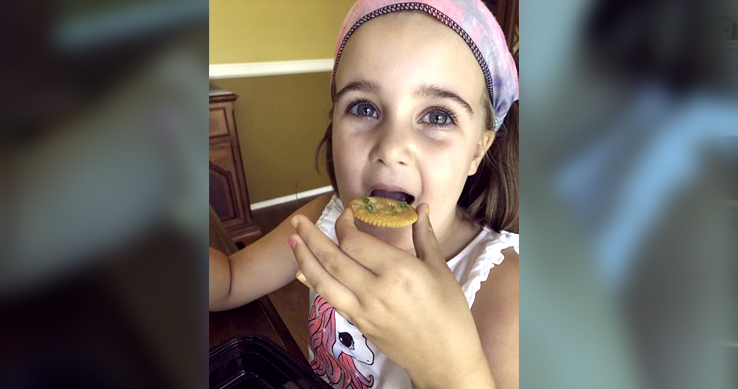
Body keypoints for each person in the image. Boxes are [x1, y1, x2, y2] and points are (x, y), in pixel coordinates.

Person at [209, 0, 519, 387]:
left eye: (437, 116)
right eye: (364, 108)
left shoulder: (505, 291)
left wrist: (446, 364)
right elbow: (231, 279)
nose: (391, 148)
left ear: (478, 149)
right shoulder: (326, 221)